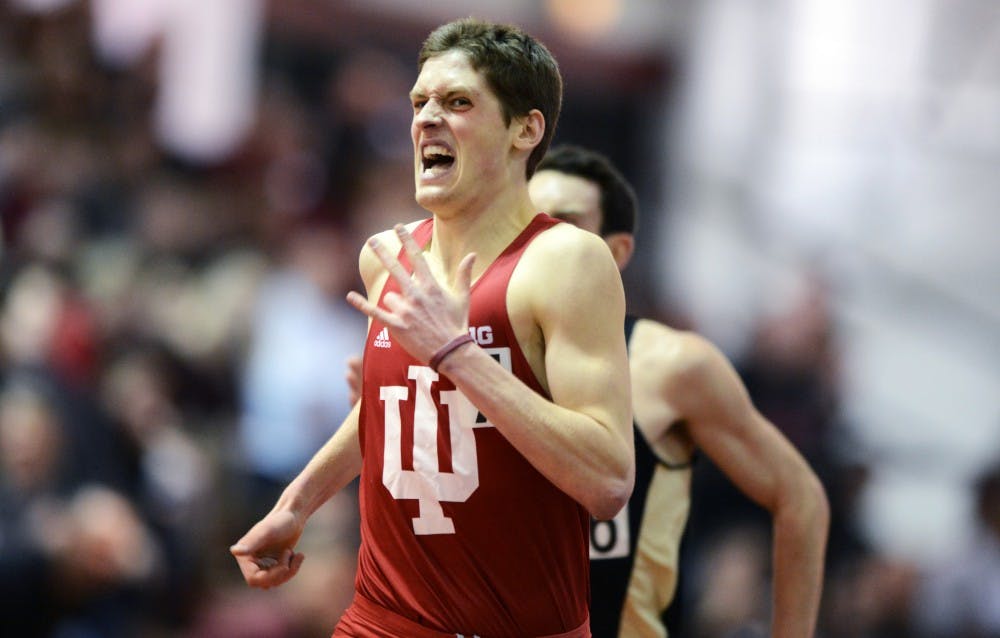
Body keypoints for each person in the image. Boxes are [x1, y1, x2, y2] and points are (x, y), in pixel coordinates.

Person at [230, 19, 634, 638]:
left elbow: (607, 480)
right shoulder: (383, 257)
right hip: (381, 621)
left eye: (458, 102)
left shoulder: (566, 261)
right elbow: (393, 414)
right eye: (419, 103)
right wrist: (296, 504)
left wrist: (456, 353)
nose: (425, 119)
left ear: (525, 130)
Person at [527, 145, 830, 637]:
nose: (543, 242)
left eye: (567, 224)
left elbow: (801, 498)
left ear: (616, 251)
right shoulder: (482, 354)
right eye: (531, 222)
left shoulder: (671, 366)